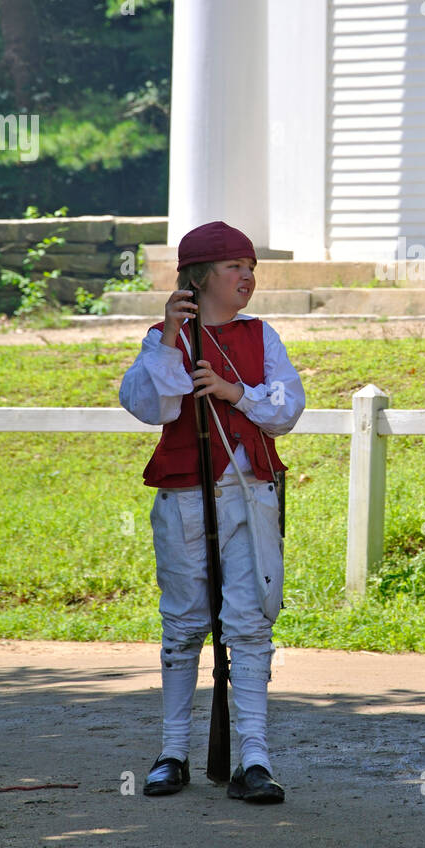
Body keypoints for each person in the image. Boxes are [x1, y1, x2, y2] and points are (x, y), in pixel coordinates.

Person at [119, 221, 305, 803]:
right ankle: (172, 752)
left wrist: (233, 392)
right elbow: (153, 405)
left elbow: (286, 407)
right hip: (183, 499)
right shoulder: (163, 339)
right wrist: (172, 338)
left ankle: (254, 758)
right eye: (233, 268)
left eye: (250, 268)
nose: (247, 277)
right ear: (199, 278)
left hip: (249, 497)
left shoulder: (261, 335)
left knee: (249, 625)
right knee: (183, 627)